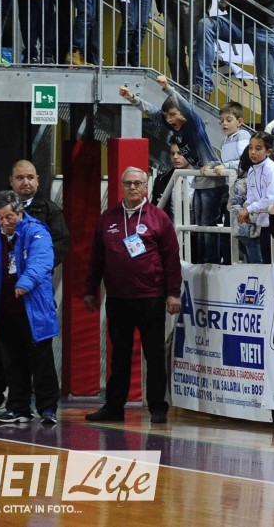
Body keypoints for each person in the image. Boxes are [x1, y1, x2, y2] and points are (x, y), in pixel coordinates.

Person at [0, 161, 68, 419]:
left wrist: (28, 279)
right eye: (20, 177)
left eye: (30, 177)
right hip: (0, 297)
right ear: (10, 180)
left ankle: (47, 407)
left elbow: (49, 254)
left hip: (33, 296)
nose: (26, 182)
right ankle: (6, 402)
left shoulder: (47, 215)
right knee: (1, 351)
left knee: (39, 354)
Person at [84, 168, 181, 424]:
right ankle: (114, 407)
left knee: (154, 355)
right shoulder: (108, 218)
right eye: (128, 183)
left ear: (146, 187)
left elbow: (172, 259)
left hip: (150, 297)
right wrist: (90, 290)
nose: (133, 187)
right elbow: (96, 258)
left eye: (138, 183)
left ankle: (158, 407)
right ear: (121, 186)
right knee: (119, 355)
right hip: (118, 298)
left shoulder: (158, 218)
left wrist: (173, 294)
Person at [122, 75, 227, 263]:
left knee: (207, 225)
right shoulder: (175, 129)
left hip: (212, 179)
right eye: (167, 116)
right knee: (199, 226)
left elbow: (187, 107)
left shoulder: (193, 124)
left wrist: (168, 88)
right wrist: (132, 98)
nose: (169, 120)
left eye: (172, 115)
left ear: (182, 115)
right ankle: (203, 263)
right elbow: (153, 112)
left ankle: (210, 262)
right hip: (200, 179)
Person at [237, 132, 274, 263]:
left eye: (258, 148)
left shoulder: (271, 169)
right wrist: (247, 206)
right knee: (267, 261)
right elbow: (251, 194)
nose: (253, 152)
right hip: (264, 223)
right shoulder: (252, 170)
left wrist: (249, 209)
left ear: (268, 151)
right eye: (250, 147)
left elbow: (272, 198)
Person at [217, 101, 251, 175]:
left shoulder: (243, 136)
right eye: (222, 121)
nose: (224, 123)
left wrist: (225, 166)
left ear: (239, 122)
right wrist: (211, 165)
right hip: (229, 177)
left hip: (243, 178)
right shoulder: (223, 141)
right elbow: (223, 162)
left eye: (228, 120)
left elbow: (245, 161)